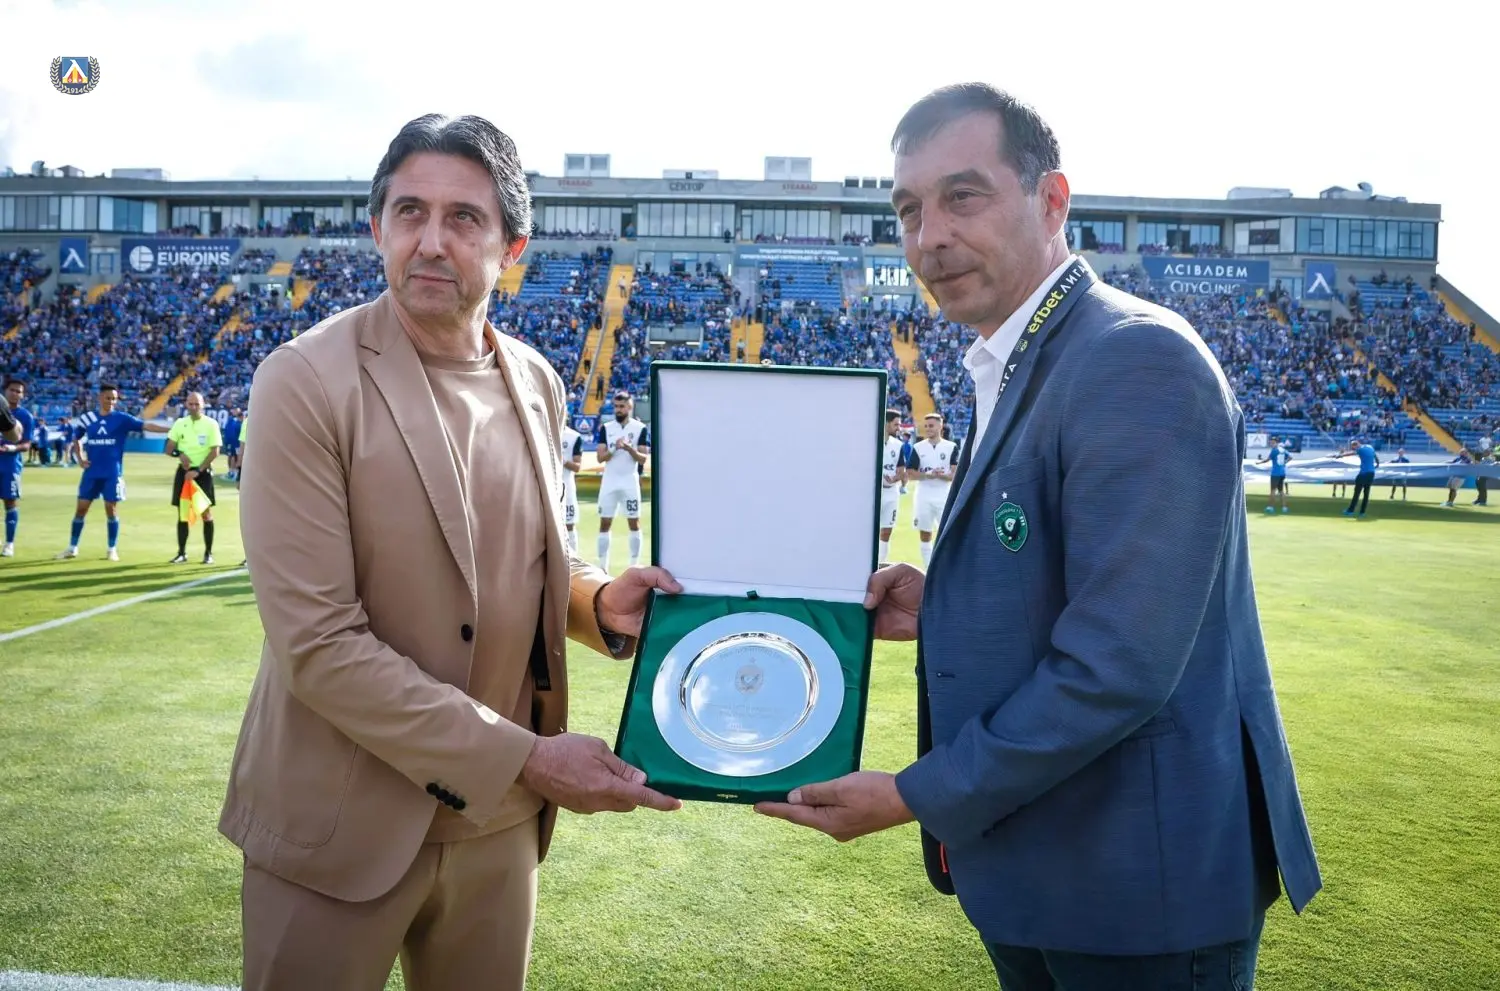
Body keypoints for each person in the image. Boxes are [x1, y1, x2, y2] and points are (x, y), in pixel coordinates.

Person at [756, 83, 1321, 989]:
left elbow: (1117, 663)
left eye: (962, 196)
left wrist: (913, 794)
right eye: (908, 209)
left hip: (1138, 893)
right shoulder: (1021, 357)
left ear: (1051, 200)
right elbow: (1059, 577)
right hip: (1042, 873)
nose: (929, 236)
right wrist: (939, 604)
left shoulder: (1135, 356)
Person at [221, 113, 681, 991]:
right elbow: (319, 645)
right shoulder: (304, 380)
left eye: (464, 218)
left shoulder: (538, 381)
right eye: (410, 212)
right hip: (337, 825)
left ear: (513, 247)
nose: (431, 241)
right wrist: (529, 757)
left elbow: (539, 555)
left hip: (496, 824)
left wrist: (595, 603)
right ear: (377, 228)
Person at [56, 383, 171, 561]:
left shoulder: (122, 419)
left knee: (111, 510)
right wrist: (80, 458)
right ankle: (72, 547)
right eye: (108, 398)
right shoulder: (88, 418)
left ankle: (112, 549)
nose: (111, 401)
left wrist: (171, 429)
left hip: (112, 473)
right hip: (91, 473)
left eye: (114, 399)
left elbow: (146, 426)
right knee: (81, 509)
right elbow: (76, 438)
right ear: (100, 398)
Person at [164, 391, 223, 563]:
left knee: (206, 513)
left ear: (203, 405)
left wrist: (198, 470)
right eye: (191, 404)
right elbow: (169, 448)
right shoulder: (180, 424)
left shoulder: (211, 424)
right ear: (186, 405)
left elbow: (215, 451)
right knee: (183, 514)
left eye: (197, 404)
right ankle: (181, 553)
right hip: (184, 474)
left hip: (203, 473)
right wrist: (179, 454)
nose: (194, 407)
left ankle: (208, 554)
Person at [594, 390, 649, 572]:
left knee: (634, 522)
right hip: (609, 482)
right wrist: (614, 449)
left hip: (629, 482)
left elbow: (643, 458)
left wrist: (628, 448)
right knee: (605, 523)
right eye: (616, 406)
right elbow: (600, 458)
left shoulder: (639, 428)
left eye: (622, 406)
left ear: (629, 407)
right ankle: (603, 568)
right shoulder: (606, 428)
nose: (618, 410)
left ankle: (633, 567)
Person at [910, 412, 958, 565]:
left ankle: (947, 566)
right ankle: (928, 568)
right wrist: (928, 475)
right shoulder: (918, 447)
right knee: (925, 533)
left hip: (944, 495)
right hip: (923, 495)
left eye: (931, 426)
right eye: (926, 426)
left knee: (947, 532)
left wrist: (942, 475)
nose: (928, 429)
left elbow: (955, 474)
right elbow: (910, 473)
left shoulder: (951, 447)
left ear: (940, 426)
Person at [1, 379, 36, 556]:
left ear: (23, 395)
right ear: (5, 391)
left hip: (10, 465)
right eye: (12, 390)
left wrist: (12, 448)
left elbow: (27, 444)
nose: (15, 394)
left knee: (10, 502)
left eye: (18, 391)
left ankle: (9, 543)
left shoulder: (25, 416)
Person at [878, 408, 909, 564]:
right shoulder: (872, 440)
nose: (899, 428)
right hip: (873, 492)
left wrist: (895, 478)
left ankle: (880, 563)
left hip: (891, 493)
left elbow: (901, 471)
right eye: (896, 424)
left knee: (886, 530)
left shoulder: (898, 445)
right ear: (886, 423)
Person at [1337, 438, 1379, 518]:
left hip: (1363, 474)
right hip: (1371, 473)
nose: (1354, 449)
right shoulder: (1370, 447)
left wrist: (1340, 455)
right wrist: (1377, 464)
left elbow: (1351, 453)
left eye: (1353, 447)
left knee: (1357, 493)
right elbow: (1375, 456)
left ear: (1356, 445)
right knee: (1366, 494)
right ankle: (1362, 513)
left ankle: (1350, 511)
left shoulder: (1360, 449)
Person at [560, 418, 584, 552]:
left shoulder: (574, 437)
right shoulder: (543, 433)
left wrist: (562, 461)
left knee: (569, 524)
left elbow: (577, 467)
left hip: (567, 486)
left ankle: (573, 559)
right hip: (547, 487)